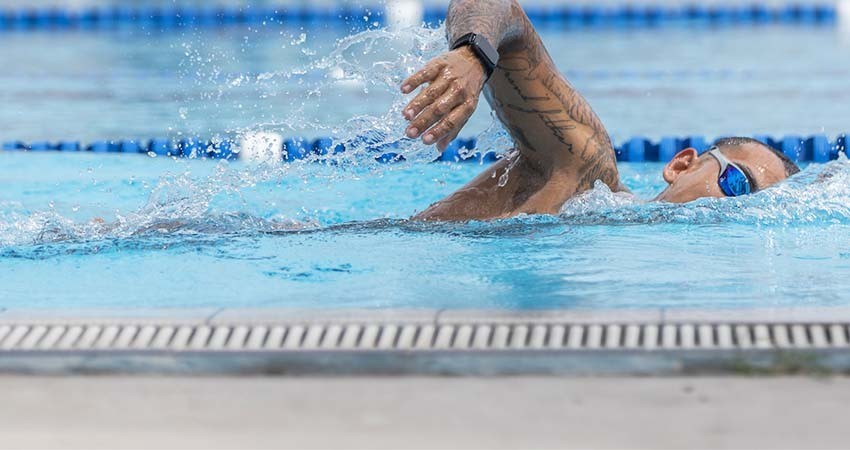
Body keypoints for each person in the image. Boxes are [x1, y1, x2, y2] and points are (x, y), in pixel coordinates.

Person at [402, 0, 800, 221]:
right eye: (737, 185)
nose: (736, 211)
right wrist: (475, 53)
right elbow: (495, 6)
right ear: (681, 165)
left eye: (755, 208)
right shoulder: (584, 173)